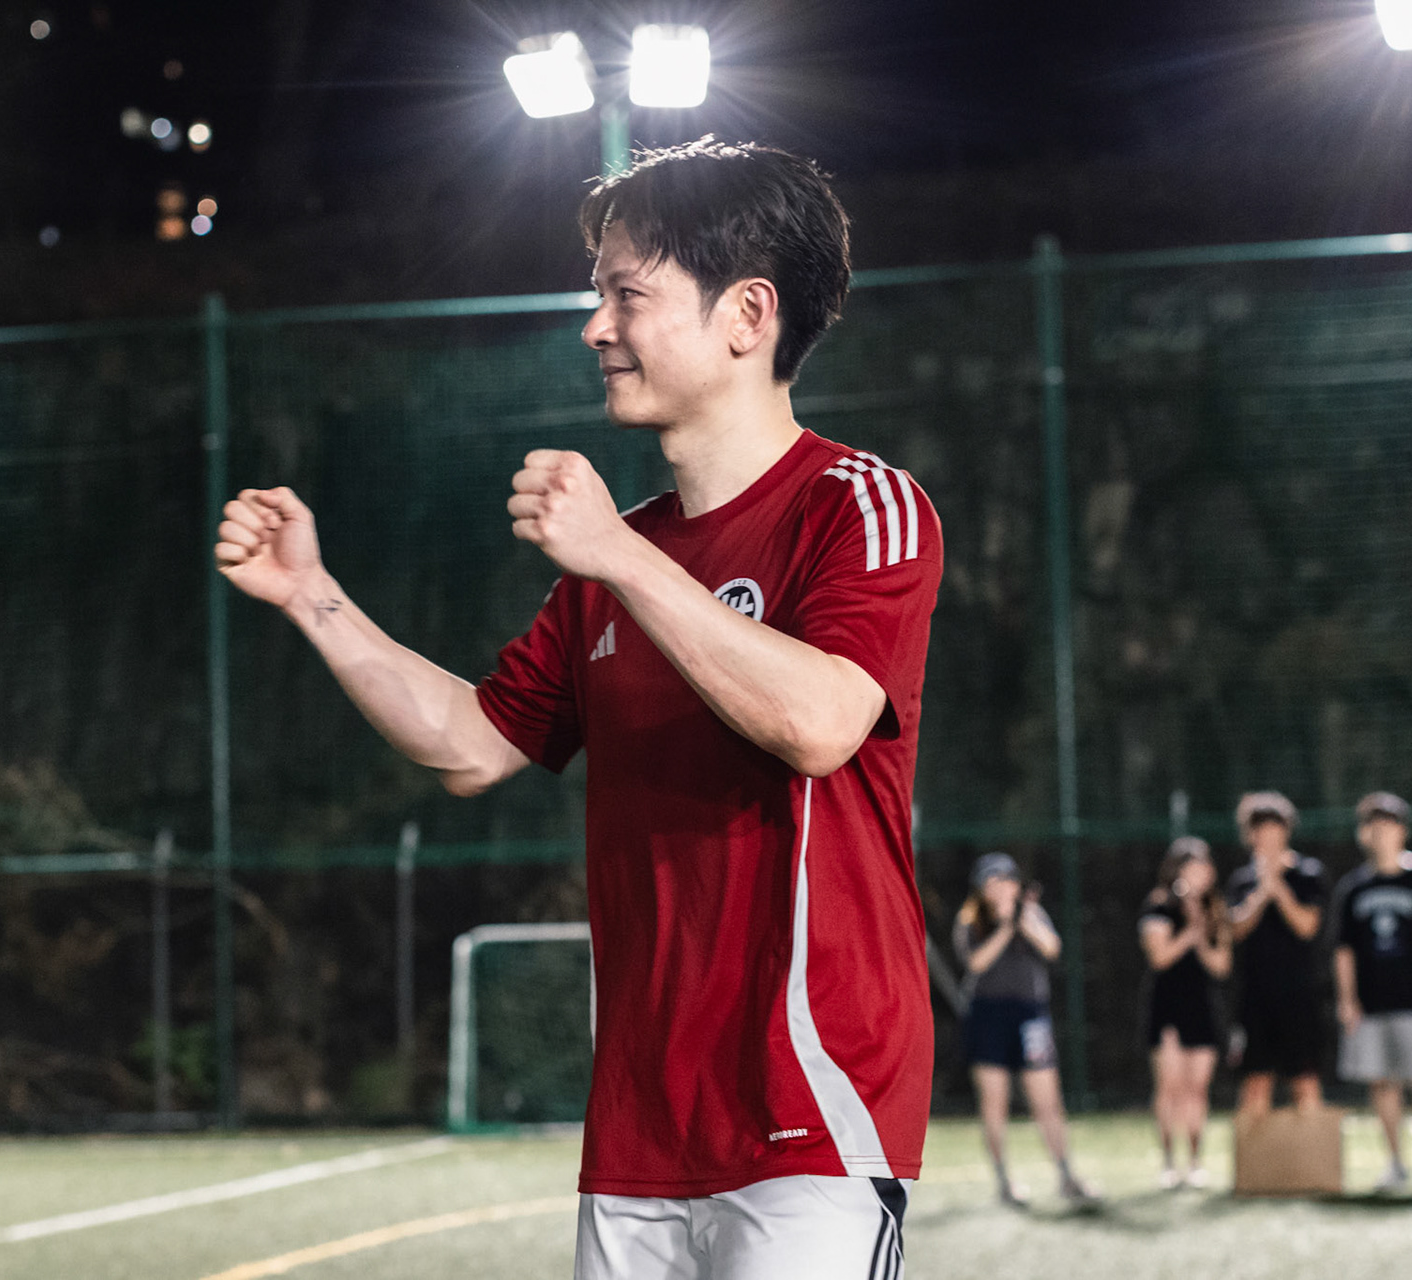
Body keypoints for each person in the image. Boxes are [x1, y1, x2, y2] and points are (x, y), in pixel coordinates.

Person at [214, 139, 943, 1280]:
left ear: (748, 315)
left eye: (626, 294)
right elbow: (470, 744)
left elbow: (820, 722)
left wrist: (618, 555)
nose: (595, 327)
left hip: (810, 1112)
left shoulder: (859, 507)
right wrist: (315, 596)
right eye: (596, 295)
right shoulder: (613, 562)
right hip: (640, 1137)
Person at [953, 852, 1097, 1208]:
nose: (1002, 888)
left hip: (1031, 1014)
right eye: (994, 882)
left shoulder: (1031, 914)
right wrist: (1005, 927)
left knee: (1048, 1100)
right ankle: (1004, 1182)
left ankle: (1065, 1175)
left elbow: (1052, 947)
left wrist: (1023, 920)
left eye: (1007, 881)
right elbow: (976, 963)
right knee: (995, 1101)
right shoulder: (970, 921)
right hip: (988, 1015)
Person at [1331, 792, 1412, 1193]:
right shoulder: (1353, 888)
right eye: (1374, 826)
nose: (1382, 833)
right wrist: (1347, 1000)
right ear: (1364, 834)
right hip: (1371, 1003)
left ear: (1403, 830)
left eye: (1390, 825)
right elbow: (1344, 951)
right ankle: (1396, 1162)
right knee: (1381, 1082)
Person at [1224, 791, 1329, 1120]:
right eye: (1260, 830)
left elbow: (1307, 927)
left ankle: (1314, 1165)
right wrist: (1261, 891)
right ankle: (1255, 1169)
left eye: (1274, 829)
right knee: (1255, 1083)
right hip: (1254, 998)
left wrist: (1278, 888)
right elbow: (1234, 930)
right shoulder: (1242, 881)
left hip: (1300, 996)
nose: (1267, 837)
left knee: (1305, 1080)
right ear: (1250, 835)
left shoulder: (1308, 874)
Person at [1139, 836, 1231, 1189]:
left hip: (1202, 1004)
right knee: (1170, 1086)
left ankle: (1194, 1162)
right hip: (1167, 1005)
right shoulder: (1158, 906)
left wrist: (1202, 931)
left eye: (1203, 868)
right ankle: (1168, 1162)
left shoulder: (1215, 909)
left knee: (1197, 1088)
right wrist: (1190, 932)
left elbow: (1221, 965)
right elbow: (1160, 958)